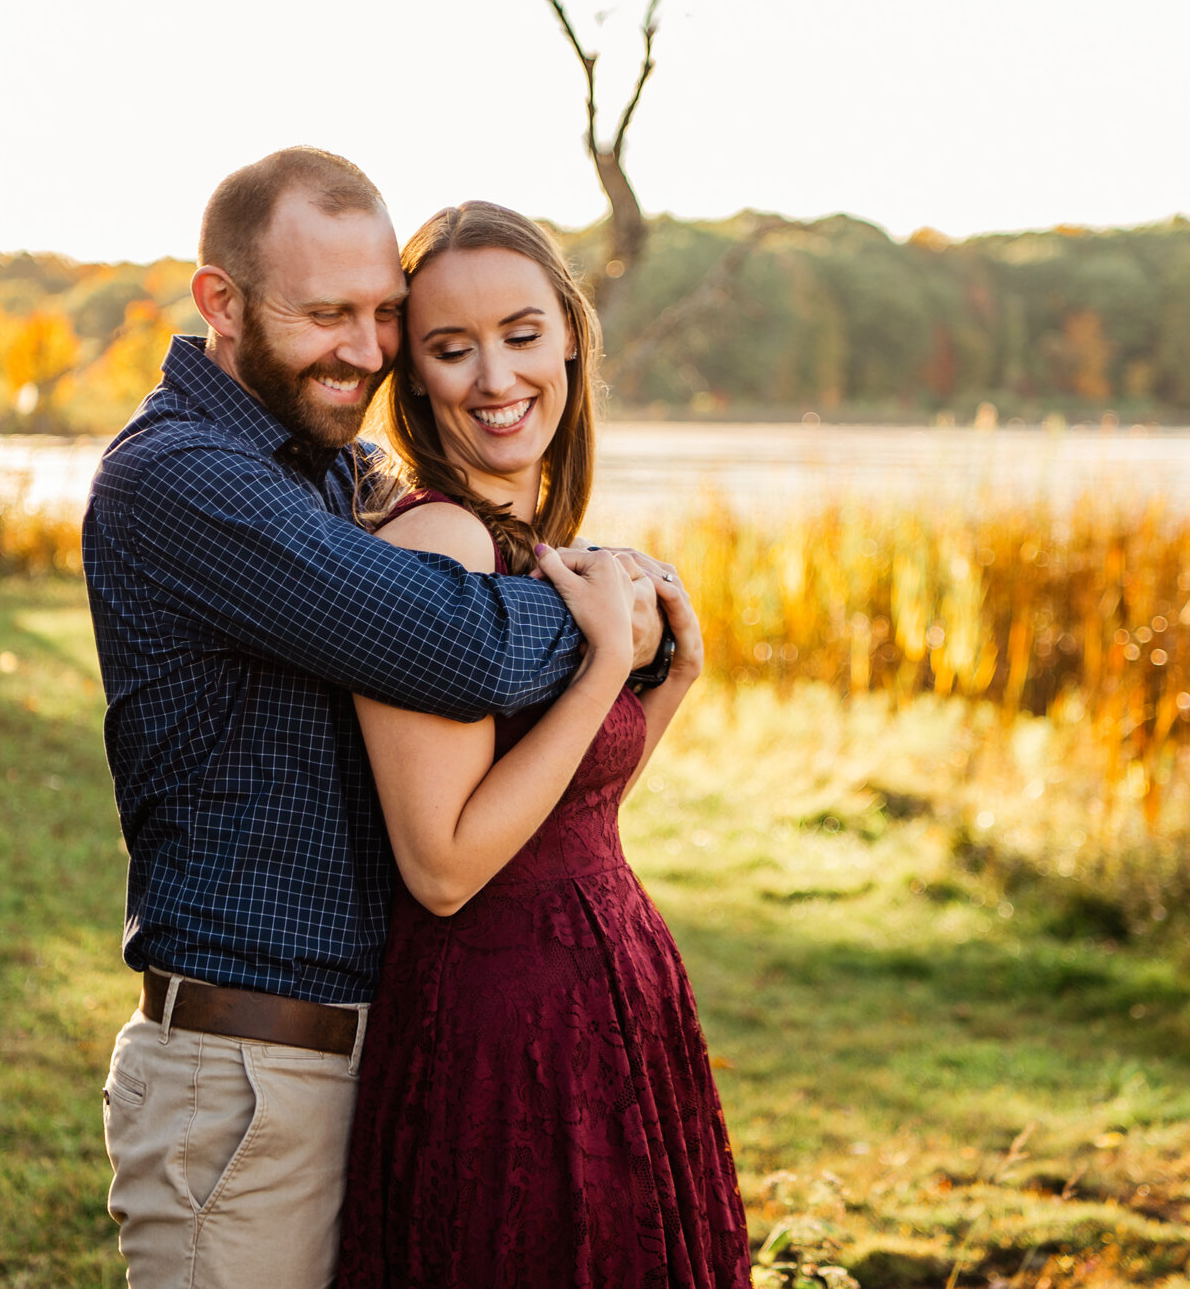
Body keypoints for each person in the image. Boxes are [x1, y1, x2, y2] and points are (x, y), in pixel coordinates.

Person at [81, 148, 672, 1288]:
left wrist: (627, 632)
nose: (363, 349)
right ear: (220, 303)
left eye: (384, 315)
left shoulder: (323, 468)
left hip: (377, 1059)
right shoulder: (184, 478)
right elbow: (457, 645)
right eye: (323, 314)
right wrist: (619, 618)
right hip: (248, 1079)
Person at [337, 202, 751, 1287]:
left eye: (520, 335)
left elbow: (569, 815)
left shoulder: (541, 549)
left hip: (612, 1003)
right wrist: (609, 663)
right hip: (498, 1035)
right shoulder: (437, 544)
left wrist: (672, 682)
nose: (493, 376)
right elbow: (443, 866)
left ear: (569, 334)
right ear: (413, 378)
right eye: (450, 348)